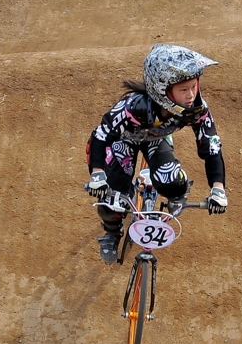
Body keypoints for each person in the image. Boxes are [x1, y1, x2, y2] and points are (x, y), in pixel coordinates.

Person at [85, 44, 228, 264]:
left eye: (194, 86)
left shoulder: (198, 110)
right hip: (124, 139)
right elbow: (100, 136)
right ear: (163, 90)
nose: (191, 96)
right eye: (183, 90)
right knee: (111, 198)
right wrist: (97, 174)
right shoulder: (132, 107)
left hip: (157, 140)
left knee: (170, 180)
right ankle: (112, 231)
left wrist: (218, 189)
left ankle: (177, 194)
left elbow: (212, 147)